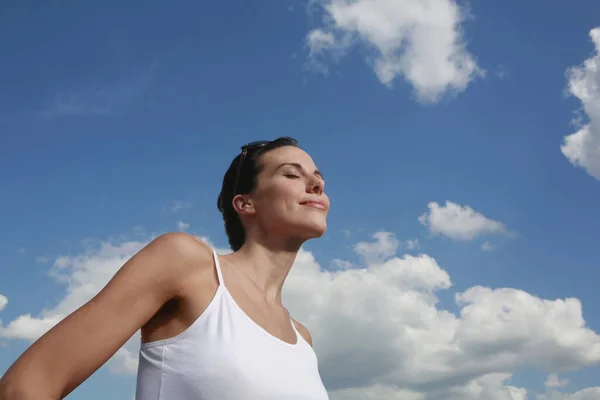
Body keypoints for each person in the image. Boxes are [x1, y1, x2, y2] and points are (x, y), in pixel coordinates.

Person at [0, 137, 330, 399]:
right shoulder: (187, 264)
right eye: (291, 174)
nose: (316, 185)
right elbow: (25, 389)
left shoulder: (301, 338)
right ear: (245, 203)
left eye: (318, 178)